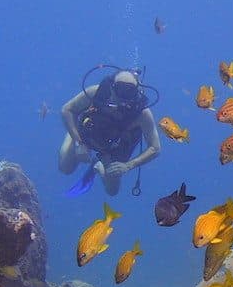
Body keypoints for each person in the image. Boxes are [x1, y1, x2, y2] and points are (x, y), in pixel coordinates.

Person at [59, 68, 161, 196]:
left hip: (113, 148)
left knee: (112, 190)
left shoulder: (142, 113)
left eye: (129, 92)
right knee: (65, 168)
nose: (123, 98)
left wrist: (128, 165)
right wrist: (78, 142)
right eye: (120, 90)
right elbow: (67, 110)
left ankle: (98, 165)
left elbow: (155, 147)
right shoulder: (95, 92)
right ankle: (72, 136)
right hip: (86, 136)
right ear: (112, 87)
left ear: (136, 92)